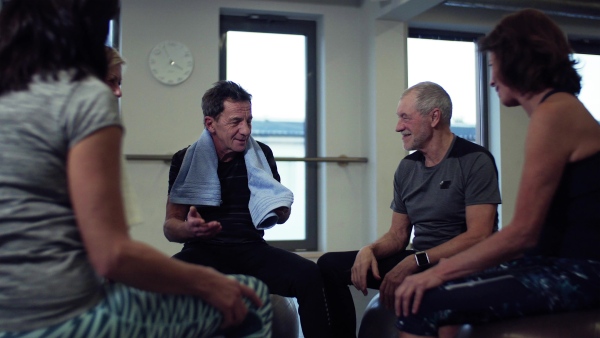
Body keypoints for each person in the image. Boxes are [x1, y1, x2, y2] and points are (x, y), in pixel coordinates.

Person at [0, 1, 272, 337]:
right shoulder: (84, 97)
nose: (117, 90)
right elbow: (113, 255)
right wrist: (209, 282)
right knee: (252, 296)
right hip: (61, 317)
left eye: (248, 121)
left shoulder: (10, 94)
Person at [394, 9, 600, 338]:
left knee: (423, 301)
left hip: (580, 273)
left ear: (517, 60)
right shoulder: (557, 109)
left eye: (493, 66)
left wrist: (440, 272)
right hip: (552, 263)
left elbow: (522, 234)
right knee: (438, 301)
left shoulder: (554, 113)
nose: (491, 79)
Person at [317, 81, 501, 337]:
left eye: (405, 118)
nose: (398, 127)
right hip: (420, 260)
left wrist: (416, 260)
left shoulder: (474, 160)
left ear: (434, 117)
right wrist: (368, 249)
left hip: (463, 265)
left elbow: (479, 235)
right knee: (329, 266)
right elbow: (398, 235)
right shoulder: (408, 168)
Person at [164, 80, 332, 338]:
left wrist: (279, 210)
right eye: (235, 122)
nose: (245, 130)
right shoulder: (185, 159)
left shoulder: (261, 154)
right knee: (160, 280)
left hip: (251, 250)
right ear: (210, 124)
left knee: (309, 274)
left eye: (249, 121)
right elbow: (170, 227)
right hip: (203, 252)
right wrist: (189, 229)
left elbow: (278, 211)